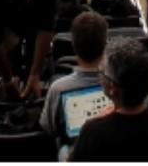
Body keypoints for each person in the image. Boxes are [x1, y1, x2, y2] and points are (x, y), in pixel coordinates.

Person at [69, 38, 148, 162]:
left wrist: (100, 120)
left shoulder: (93, 132)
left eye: (102, 73)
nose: (100, 76)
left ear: (112, 88)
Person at [41, 11, 108, 148]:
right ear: (105, 44)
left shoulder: (58, 88)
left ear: (73, 45)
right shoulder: (119, 85)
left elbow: (48, 128)